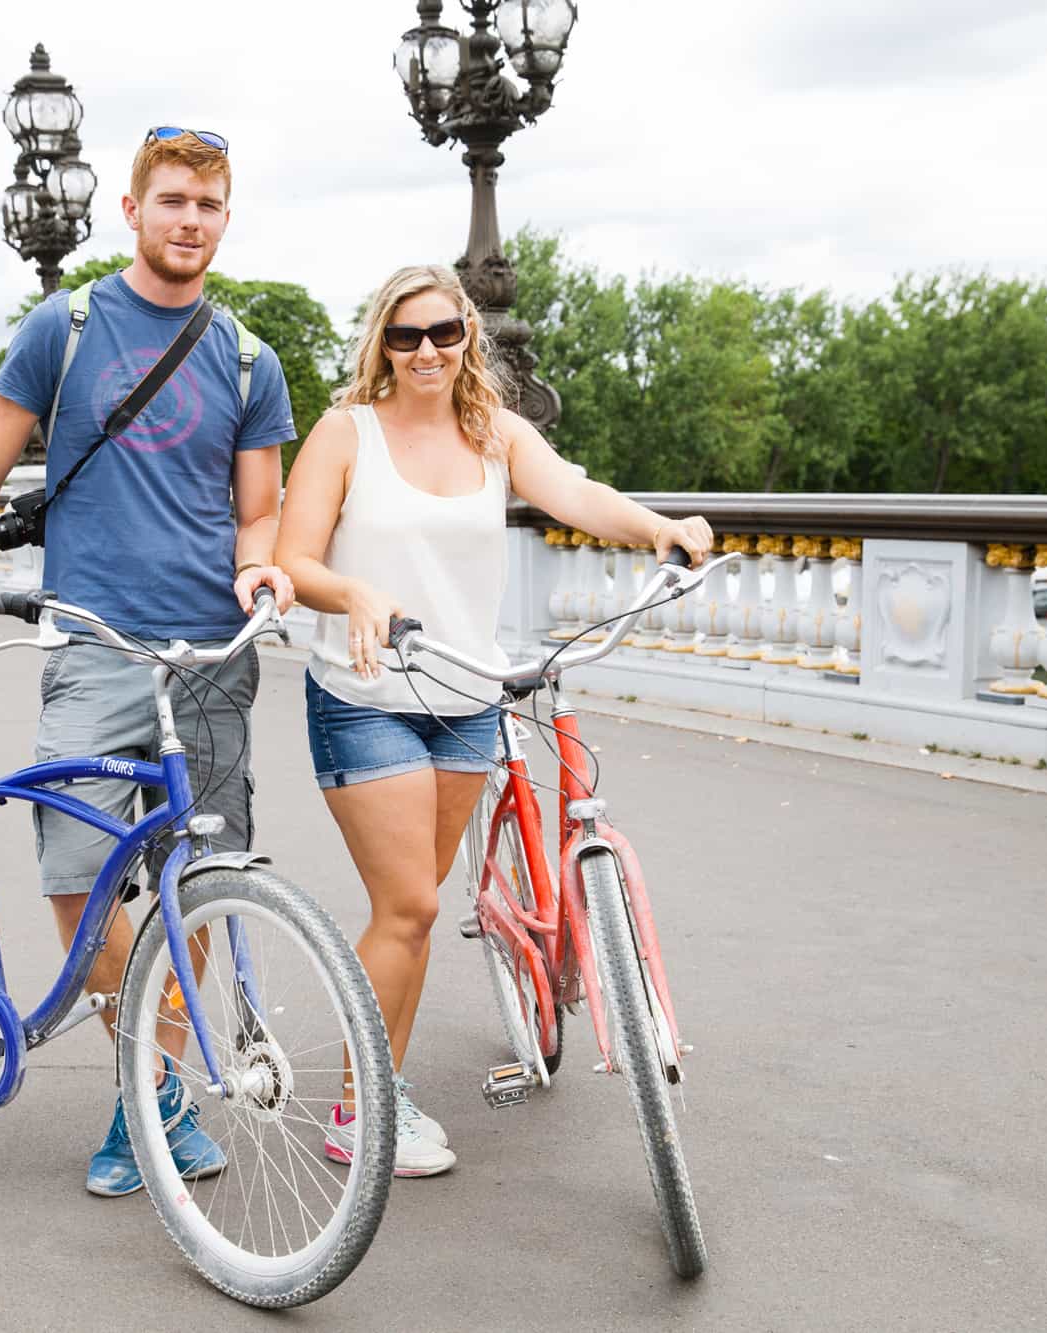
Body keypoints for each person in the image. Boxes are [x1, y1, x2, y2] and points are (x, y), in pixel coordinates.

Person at [0, 127, 298, 1198]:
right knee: (79, 876)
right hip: (93, 645)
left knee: (200, 886)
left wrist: (260, 571)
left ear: (225, 218)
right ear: (131, 210)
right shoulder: (67, 326)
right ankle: (154, 1093)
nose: (189, 220)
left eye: (208, 206)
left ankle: (146, 1094)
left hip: (210, 657)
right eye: (170, 200)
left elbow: (256, 511)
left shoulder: (249, 360)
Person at [275, 264, 715, 1178]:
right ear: (381, 345)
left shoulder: (494, 434)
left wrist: (659, 526)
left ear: (468, 334)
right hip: (366, 701)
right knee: (412, 904)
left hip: (467, 699)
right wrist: (353, 589)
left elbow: (576, 496)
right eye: (406, 336)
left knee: (413, 917)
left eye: (444, 332)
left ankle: (379, 1086)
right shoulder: (343, 433)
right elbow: (293, 561)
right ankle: (358, 1110)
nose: (427, 351)